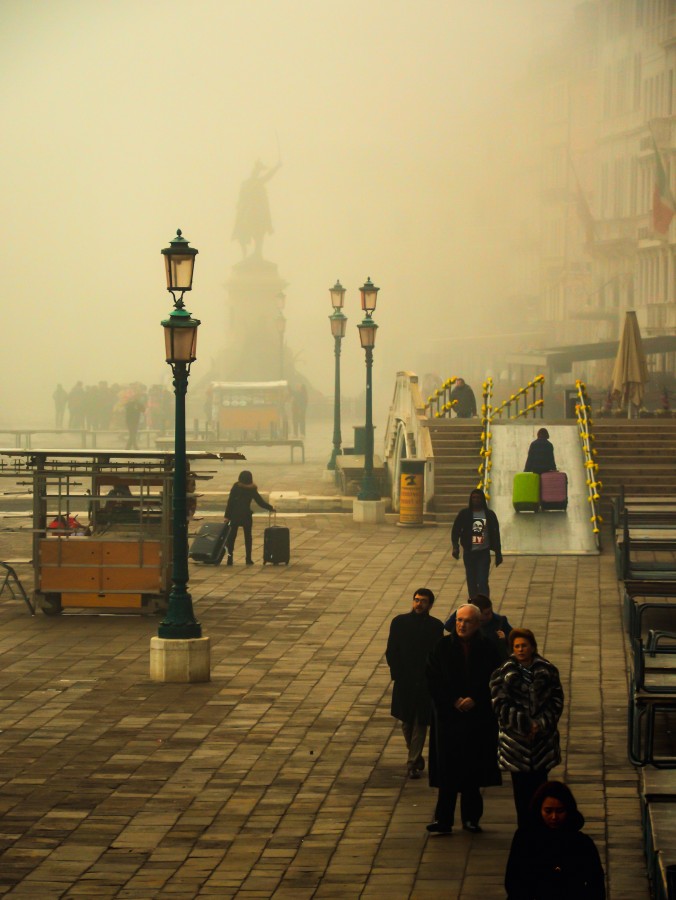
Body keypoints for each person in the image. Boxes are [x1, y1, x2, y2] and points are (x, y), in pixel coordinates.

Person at [425, 603, 502, 835]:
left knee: (473, 770)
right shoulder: (442, 647)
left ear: (477, 624)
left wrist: (476, 699)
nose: (462, 625)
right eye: (459, 620)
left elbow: (495, 678)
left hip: (477, 719)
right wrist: (454, 700)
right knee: (447, 772)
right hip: (449, 719)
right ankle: (444, 819)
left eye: (467, 621)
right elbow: (433, 678)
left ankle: (471, 818)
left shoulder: (488, 648)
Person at [490, 629, 564, 827]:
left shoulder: (547, 670)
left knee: (540, 787)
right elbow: (500, 704)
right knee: (521, 791)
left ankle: (541, 825)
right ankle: (524, 828)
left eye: (524, 645)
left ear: (532, 647)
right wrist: (523, 724)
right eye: (517, 646)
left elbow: (556, 701)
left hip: (542, 743)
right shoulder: (503, 672)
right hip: (516, 745)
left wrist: (540, 724)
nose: (521, 649)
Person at [504, 780, 606, 899]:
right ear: (539, 810)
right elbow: (513, 881)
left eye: (560, 811)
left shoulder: (581, 843)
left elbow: (596, 884)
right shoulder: (525, 839)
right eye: (548, 811)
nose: (554, 817)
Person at [385, 588, 444, 779]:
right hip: (405, 680)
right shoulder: (400, 622)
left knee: (421, 722)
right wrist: (397, 673)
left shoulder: (435, 626)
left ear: (430, 604)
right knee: (406, 722)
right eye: (416, 600)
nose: (419, 604)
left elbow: (437, 655)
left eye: (423, 601)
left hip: (425, 681)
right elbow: (392, 650)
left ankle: (412, 762)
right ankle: (415, 756)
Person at [451, 489, 502, 598]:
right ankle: (474, 602)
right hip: (469, 553)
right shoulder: (465, 514)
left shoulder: (489, 514)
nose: (476, 500)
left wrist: (498, 553)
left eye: (478, 498)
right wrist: (456, 546)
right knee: (471, 581)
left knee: (483, 580)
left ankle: (484, 603)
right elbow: (456, 530)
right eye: (474, 498)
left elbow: (495, 534)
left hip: (483, 553)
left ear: (482, 499)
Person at [224, 470, 274, 565]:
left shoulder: (236, 486)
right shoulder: (252, 489)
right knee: (248, 538)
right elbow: (260, 502)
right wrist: (270, 508)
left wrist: (227, 516)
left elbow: (230, 502)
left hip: (235, 515)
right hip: (246, 515)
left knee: (231, 538)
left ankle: (229, 559)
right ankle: (248, 559)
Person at [444, 594, 513, 662]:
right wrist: (463, 610)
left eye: (490, 611)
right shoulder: (468, 621)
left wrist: (505, 638)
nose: (490, 615)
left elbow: (514, 637)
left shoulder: (500, 621)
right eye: (486, 614)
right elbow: (448, 626)